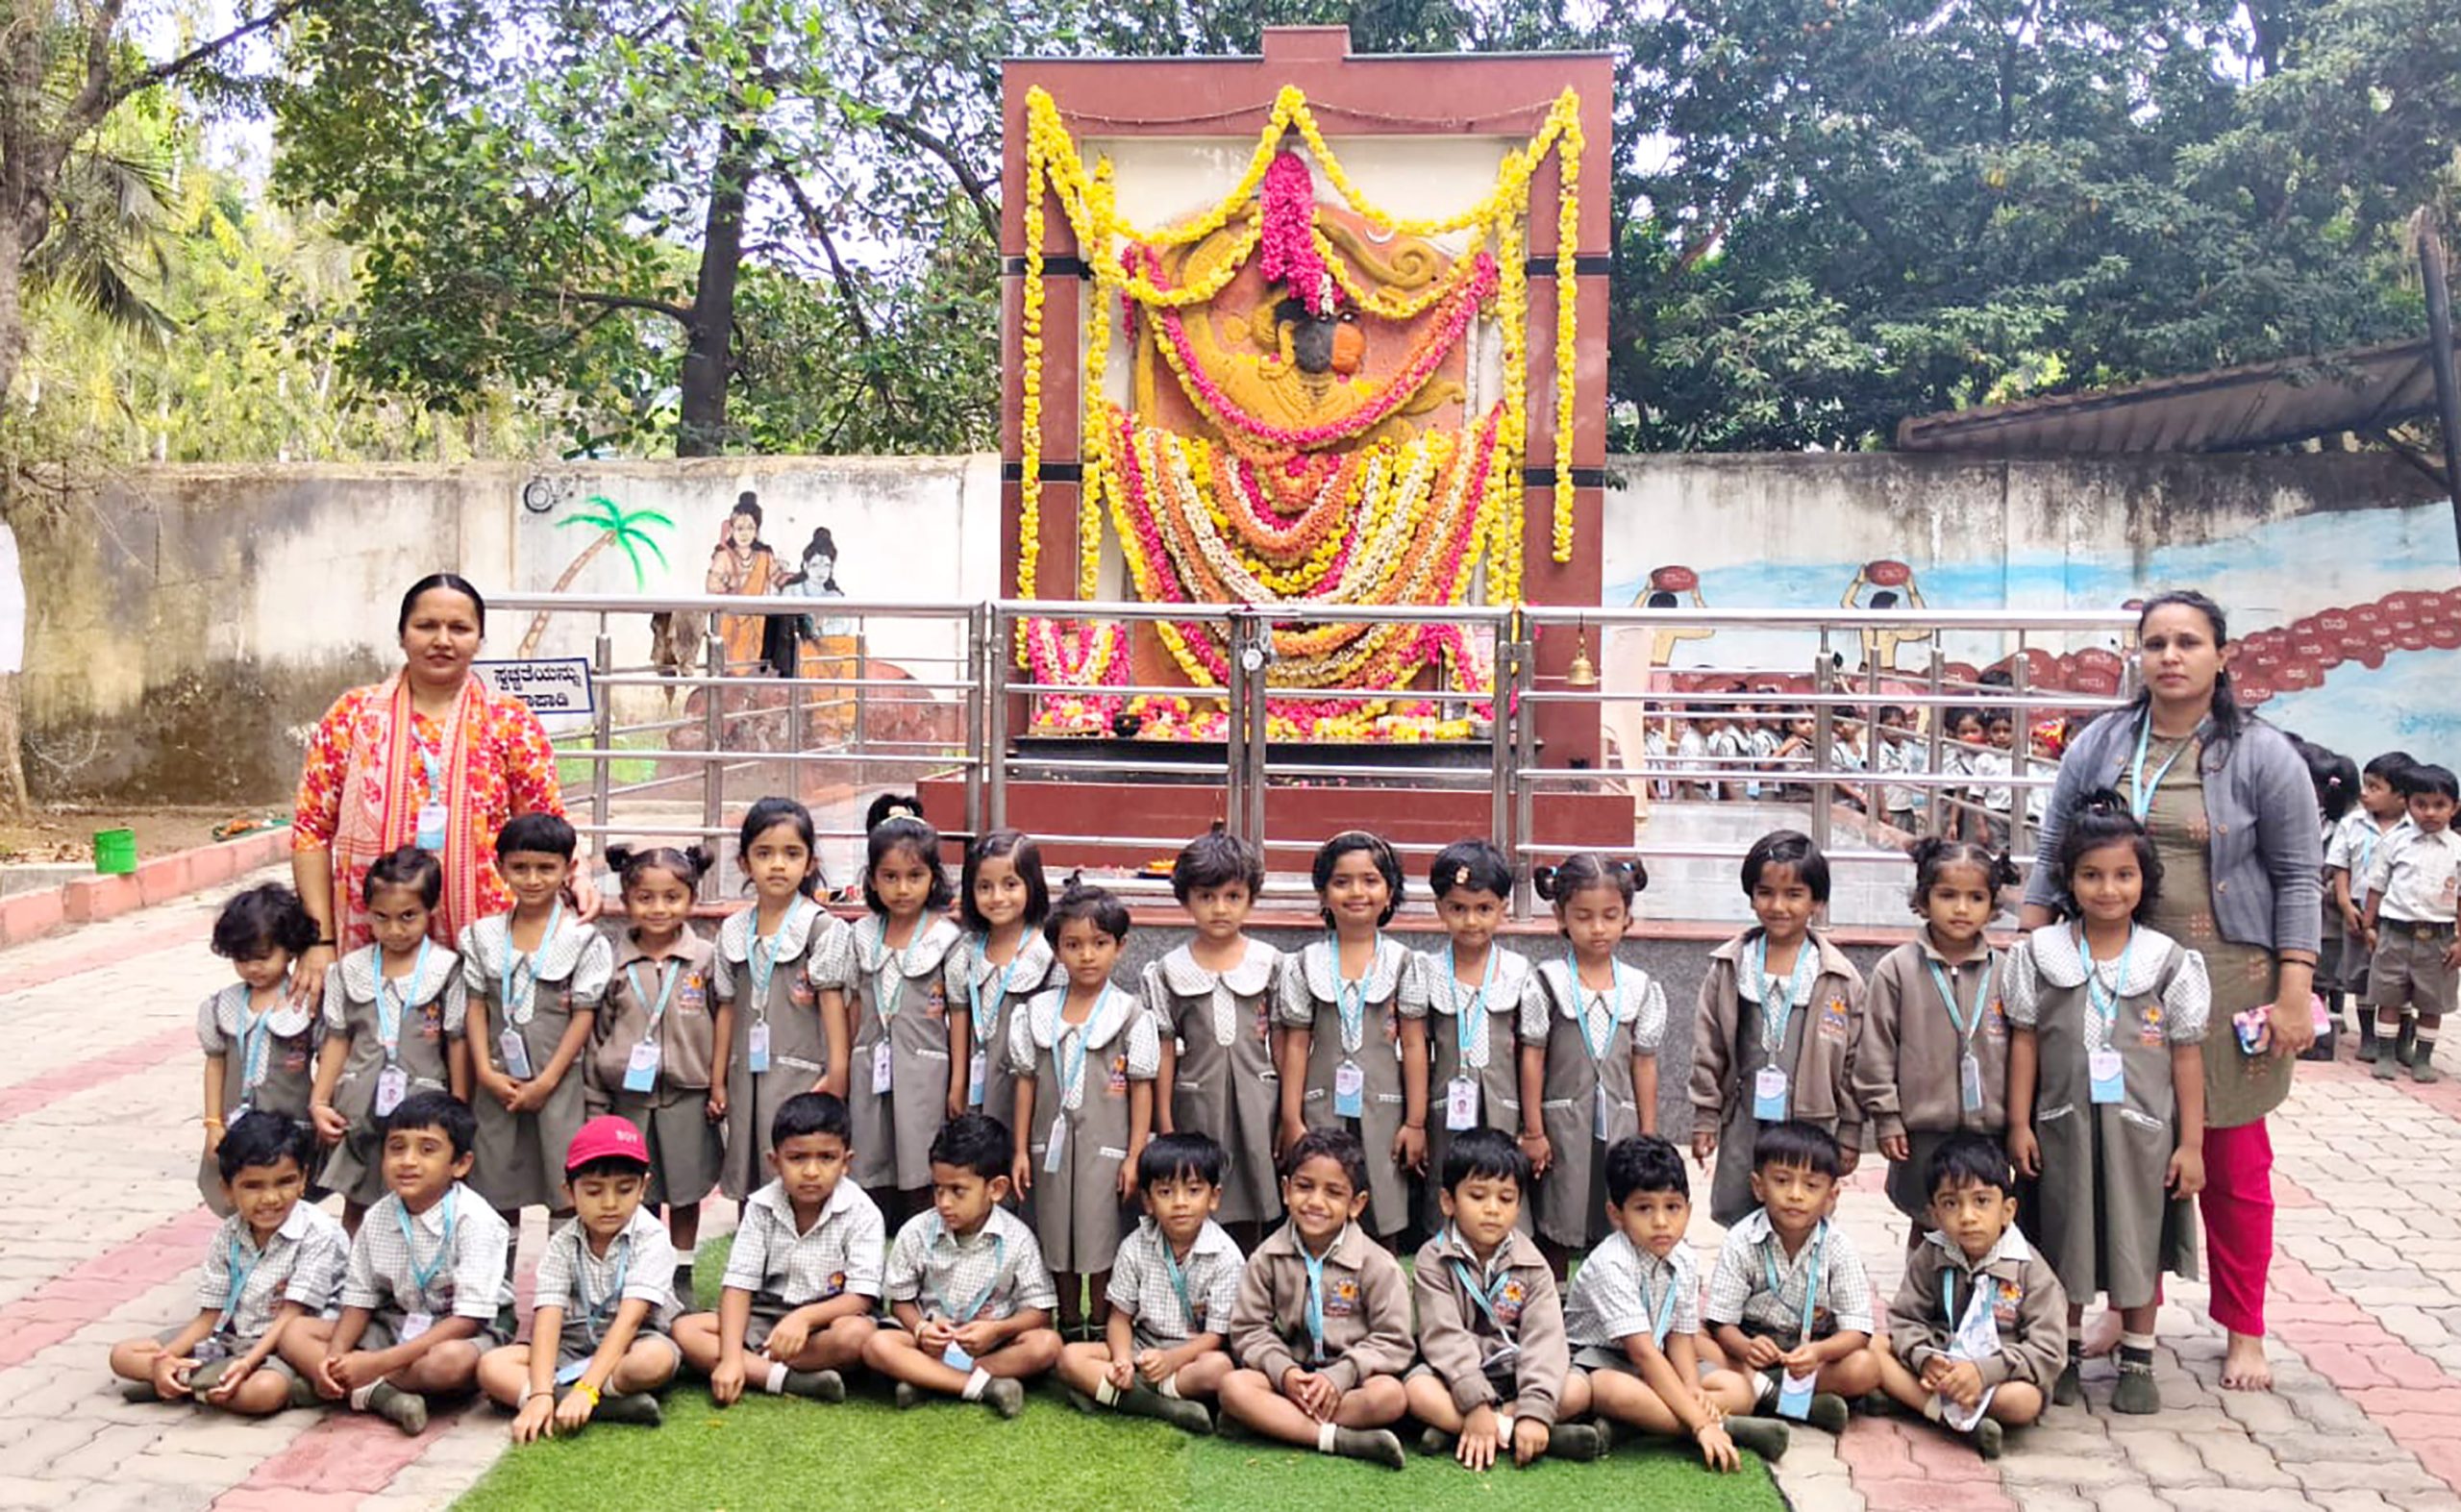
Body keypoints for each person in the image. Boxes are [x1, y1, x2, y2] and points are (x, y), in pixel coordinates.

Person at [2024, 589, 2319, 1393]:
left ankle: (2244, 1325)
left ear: (2223, 655)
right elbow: (2053, 848)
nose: (2170, 656)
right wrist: (2030, 944)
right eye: (2154, 642)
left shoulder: (2264, 754)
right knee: (2118, 1143)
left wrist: (2297, 990)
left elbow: (2298, 876)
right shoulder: (2103, 742)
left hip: (2227, 979)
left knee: (2226, 1157)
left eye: (2189, 641)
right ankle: (2129, 1302)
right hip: (2107, 977)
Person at [2007, 790, 2208, 1413]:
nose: (2107, 888)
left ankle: (2139, 1359)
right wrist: (2019, 1121)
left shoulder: (2166, 961)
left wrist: (2192, 1142)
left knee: (2136, 1237)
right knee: (2061, 1236)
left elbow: (2185, 1055)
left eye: (2123, 874)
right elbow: (2025, 1041)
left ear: (2145, 878)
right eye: (2091, 874)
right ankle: (2060, 1351)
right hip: (2061, 1128)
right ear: (2068, 877)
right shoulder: (2041, 954)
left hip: (2141, 1134)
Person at [292, 573, 597, 979]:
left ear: (479, 639)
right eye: (426, 626)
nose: (442, 640)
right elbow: (312, 830)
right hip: (376, 933)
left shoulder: (509, 721)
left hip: (486, 933)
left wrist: (579, 876)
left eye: (459, 628)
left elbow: (545, 824)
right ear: (402, 635)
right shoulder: (353, 716)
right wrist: (320, 941)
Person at [1563, 1135, 1787, 1470]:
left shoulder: (1683, 1257)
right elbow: (1641, 1352)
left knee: (1737, 1389)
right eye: (1643, 1208)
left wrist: (1692, 1387)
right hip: (1603, 1359)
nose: (1661, 1222)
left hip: (1656, 1359)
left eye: (1672, 1207)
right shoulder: (1610, 1263)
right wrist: (1701, 1423)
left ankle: (1635, 1422)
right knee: (1612, 1390)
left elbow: (1680, 1337)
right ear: (1616, 1214)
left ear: (1688, 1209)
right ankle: (1727, 1428)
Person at [111, 1113, 345, 1414]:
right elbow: (210, 1315)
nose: (271, 1198)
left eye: (285, 1182)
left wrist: (246, 1365)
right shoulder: (228, 1234)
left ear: (303, 1181)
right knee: (123, 1355)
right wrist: (164, 1360)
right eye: (253, 1186)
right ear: (227, 1190)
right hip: (228, 1335)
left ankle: (195, 1385)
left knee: (263, 1393)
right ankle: (185, 1378)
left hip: (283, 1346)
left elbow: (291, 1317)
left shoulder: (318, 1232)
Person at [312, 1091, 513, 1435]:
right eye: (396, 1147)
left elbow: (468, 1319)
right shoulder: (377, 1216)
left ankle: (365, 1384)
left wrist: (376, 1363)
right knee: (297, 1332)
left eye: (427, 1149)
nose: (408, 1161)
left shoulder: (477, 1220)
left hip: (464, 1330)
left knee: (449, 1364)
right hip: (399, 1320)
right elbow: (359, 1299)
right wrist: (335, 1357)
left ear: (460, 1164)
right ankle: (370, 1391)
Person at [1690, 831, 1865, 1225]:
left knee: (1801, 1213)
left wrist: (1850, 1130)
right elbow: (1709, 1044)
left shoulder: (1838, 977)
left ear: (1817, 901)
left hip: (1810, 1120)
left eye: (1794, 894)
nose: (1778, 905)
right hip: (1746, 1117)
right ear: (1751, 895)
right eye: (1766, 892)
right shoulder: (1731, 966)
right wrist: (1705, 1115)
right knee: (1741, 1212)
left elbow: (1855, 1062)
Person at [1404, 1129, 1604, 1468]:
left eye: (1506, 1199)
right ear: (1448, 1202)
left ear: (1519, 1204)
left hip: (1517, 1373)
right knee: (1417, 1390)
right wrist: (1475, 1403)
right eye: (1478, 1196)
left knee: (1579, 1389)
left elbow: (1544, 1340)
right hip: (1456, 1378)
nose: (1492, 1210)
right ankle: (1510, 1431)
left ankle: (1483, 1429)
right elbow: (1443, 1337)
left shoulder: (1533, 1262)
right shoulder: (1432, 1259)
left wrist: (1536, 1406)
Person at [1009, 882, 1157, 1335]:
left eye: (1099, 943)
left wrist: (1135, 1155)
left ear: (1120, 947)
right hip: (1047, 1149)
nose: (1087, 956)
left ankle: (1103, 1321)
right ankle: (1069, 1322)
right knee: (1056, 1231)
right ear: (1056, 950)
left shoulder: (1130, 1014)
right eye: (1073, 945)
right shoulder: (1037, 1012)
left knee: (1103, 1232)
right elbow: (1026, 1084)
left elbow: (1142, 1089)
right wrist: (1019, 1150)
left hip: (1106, 1149)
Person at [461, 812, 610, 1257]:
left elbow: (583, 1016)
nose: (532, 879)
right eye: (520, 868)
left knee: (564, 1181)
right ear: (501, 867)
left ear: (568, 870)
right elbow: (474, 1005)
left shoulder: (582, 940)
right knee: (496, 1181)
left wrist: (547, 1081)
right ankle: (496, 1290)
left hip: (559, 1084)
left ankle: (561, 1291)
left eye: (546, 868)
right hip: (497, 1084)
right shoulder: (482, 936)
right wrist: (484, 1073)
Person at [1218, 1129, 1412, 1469]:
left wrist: (1342, 1375)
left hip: (1353, 1381)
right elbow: (1249, 1330)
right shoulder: (1266, 1257)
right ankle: (1336, 1438)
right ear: (1285, 1190)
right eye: (1304, 1187)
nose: (1316, 1202)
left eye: (1333, 1192)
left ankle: (1275, 1423)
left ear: (1357, 1204)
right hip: (1292, 1377)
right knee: (1234, 1386)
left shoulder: (1379, 1265)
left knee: (1390, 1396)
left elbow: (1394, 1341)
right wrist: (1286, 1372)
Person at [676, 1092, 882, 1405]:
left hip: (827, 1318)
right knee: (685, 1329)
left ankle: (757, 1367)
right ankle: (788, 1380)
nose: (811, 1171)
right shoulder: (761, 1207)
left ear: (846, 1163)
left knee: (857, 1336)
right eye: (797, 1158)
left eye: (826, 1158)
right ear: (775, 1162)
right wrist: (731, 1357)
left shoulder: (862, 1211)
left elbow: (861, 1296)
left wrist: (805, 1319)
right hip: (766, 1315)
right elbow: (738, 1285)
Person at [1856, 838, 2021, 1232]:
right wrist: (1887, 1116)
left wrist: (2020, 1122)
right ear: (1923, 899)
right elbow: (1876, 1049)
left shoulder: (2009, 971)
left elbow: (2027, 1050)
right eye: (1947, 895)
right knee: (1928, 1220)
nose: (1961, 909)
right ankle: (1924, 1294)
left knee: (1981, 1226)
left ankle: (1976, 1295)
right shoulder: (1896, 970)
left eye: (1975, 897)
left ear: (1994, 906)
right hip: (1921, 1131)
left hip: (1990, 1130)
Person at [478, 1116, 679, 1437]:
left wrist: (587, 1388)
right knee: (491, 1367)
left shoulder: (652, 1237)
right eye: (594, 1191)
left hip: (633, 1342)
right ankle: (605, 1406)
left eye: (624, 1189)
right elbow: (548, 1318)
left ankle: (582, 1398)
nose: (610, 1203)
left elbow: (629, 1321)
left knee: (653, 1362)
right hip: (571, 1344)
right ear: (569, 1192)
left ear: (644, 1188)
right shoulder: (562, 1243)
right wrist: (541, 1391)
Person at [1876, 1133, 2066, 1460]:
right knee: (1873, 1345)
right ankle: (1950, 1417)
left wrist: (1984, 1372)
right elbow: (1905, 1319)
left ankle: (1921, 1405)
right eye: (1951, 1203)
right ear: (1934, 1214)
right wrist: (1924, 1358)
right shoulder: (1931, 1253)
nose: (1967, 1216)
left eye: (1982, 1201)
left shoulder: (2030, 1269)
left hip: (1997, 1376)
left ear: (2007, 1210)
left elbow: (2048, 1350)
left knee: (2023, 1401)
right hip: (1941, 1364)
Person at [1277, 831, 1427, 1243]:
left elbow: (1414, 1044)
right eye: (1342, 882)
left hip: (1386, 1110)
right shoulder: (1304, 964)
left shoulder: (1405, 963)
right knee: (1322, 1200)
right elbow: (1295, 1044)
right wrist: (1292, 1119)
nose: (1356, 892)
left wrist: (1415, 1121)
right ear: (1323, 893)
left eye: (1370, 880)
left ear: (1390, 891)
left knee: (1382, 1201)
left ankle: (1381, 1299)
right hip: (1320, 1106)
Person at [862, 1112, 1065, 1415]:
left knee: (1047, 1344)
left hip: (989, 1347)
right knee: (877, 1345)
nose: (943, 1202)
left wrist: (997, 1331)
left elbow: (1040, 1312)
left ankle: (927, 1380)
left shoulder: (1018, 1238)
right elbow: (900, 1302)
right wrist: (920, 1329)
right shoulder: (916, 1231)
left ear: (995, 1189)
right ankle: (983, 1386)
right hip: (929, 1343)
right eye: (937, 1188)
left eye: (958, 1191)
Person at [311, 847, 467, 1232]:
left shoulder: (446, 969)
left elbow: (457, 1039)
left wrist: (461, 1103)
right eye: (382, 918)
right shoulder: (351, 970)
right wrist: (319, 1100)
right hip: (360, 1105)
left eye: (408, 917)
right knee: (359, 1199)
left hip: (424, 1105)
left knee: (423, 1197)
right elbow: (336, 1037)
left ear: (430, 911)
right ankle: (357, 1283)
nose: (395, 929)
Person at [586, 844, 723, 1284]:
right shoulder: (612, 962)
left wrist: (720, 1086)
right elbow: (598, 1032)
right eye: (645, 898)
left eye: (671, 897)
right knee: (633, 1191)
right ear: (625, 902)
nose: (659, 908)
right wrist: (596, 1098)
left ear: (692, 900)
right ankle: (640, 1278)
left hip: (689, 1095)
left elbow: (724, 1022)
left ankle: (681, 1274)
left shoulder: (705, 958)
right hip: (628, 1098)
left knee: (685, 1191)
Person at [1522, 854, 1666, 1259]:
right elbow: (1532, 1057)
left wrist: (1648, 1133)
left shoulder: (1640, 987)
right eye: (1584, 916)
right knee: (1558, 1206)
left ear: (1628, 919)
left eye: (1610, 915)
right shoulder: (1547, 982)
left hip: (1620, 1118)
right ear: (1560, 916)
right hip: (1561, 1119)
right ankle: (1550, 1306)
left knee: (1615, 1208)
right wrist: (1533, 1131)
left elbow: (1645, 1061)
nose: (1598, 928)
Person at [1146, 825, 1282, 1249]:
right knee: (1199, 1186)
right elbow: (1164, 1046)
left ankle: (1251, 1286)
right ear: (1185, 900)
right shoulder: (1168, 969)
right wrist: (1165, 1120)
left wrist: (1288, 1112)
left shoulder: (1271, 963)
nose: (1219, 909)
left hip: (1259, 1100)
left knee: (1256, 1185)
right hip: (1196, 1098)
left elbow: (1281, 1039)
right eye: (1206, 897)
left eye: (1232, 897)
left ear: (1251, 899)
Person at [1701, 1121, 1882, 1433]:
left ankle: (1761, 1392)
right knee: (1693, 1338)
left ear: (1832, 1195)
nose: (1795, 1195)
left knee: (1865, 1367)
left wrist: (1819, 1353)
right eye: (1782, 1181)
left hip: (1809, 1355)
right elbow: (1720, 1322)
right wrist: (1745, 1347)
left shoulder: (1838, 1248)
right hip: (1750, 1349)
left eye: (1811, 1186)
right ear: (1758, 1186)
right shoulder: (1742, 1239)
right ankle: (1790, 1401)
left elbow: (1857, 1330)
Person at [714, 798, 854, 1202]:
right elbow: (726, 1006)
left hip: (803, 1075)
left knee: (800, 1173)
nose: (778, 865)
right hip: (745, 1078)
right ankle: (751, 1257)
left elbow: (833, 1005)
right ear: (744, 863)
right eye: (764, 853)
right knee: (749, 1169)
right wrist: (718, 1079)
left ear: (809, 863)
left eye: (791, 854)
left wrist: (838, 1072)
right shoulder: (733, 930)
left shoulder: (821, 929)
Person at [1056, 1131, 1242, 1432]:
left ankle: (1112, 1395)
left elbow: (1216, 1337)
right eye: (1166, 1192)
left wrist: (1170, 1361)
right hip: (1142, 1346)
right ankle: (1161, 1405)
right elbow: (1119, 1319)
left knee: (1218, 1369)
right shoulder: (1135, 1245)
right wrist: (1121, 1361)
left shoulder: (1226, 1256)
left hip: (1191, 1354)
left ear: (1214, 1197)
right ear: (1148, 1201)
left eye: (1193, 1191)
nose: (1180, 1203)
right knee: (1069, 1357)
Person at [1411, 840, 1534, 1235]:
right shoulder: (1425, 971)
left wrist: (1533, 1129)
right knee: (1448, 1185)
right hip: (1444, 1107)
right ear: (1439, 909)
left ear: (1503, 907)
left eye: (1484, 909)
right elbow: (1415, 1047)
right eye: (1458, 908)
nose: (1471, 921)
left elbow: (1532, 1052)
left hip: (1505, 1105)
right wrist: (1415, 1123)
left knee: (1502, 1183)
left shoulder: (1518, 971)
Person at [848, 813, 963, 1224]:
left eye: (914, 876)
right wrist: (846, 1064)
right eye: (890, 876)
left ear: (933, 878)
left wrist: (958, 1081)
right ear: (873, 879)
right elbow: (854, 1005)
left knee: (921, 1159)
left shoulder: (946, 937)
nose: (902, 888)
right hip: (868, 1068)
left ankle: (923, 1256)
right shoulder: (862, 934)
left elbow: (959, 1014)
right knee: (870, 1159)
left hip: (925, 1072)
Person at [195, 884, 323, 1215]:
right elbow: (215, 1062)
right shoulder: (223, 1005)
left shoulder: (306, 1002)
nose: (253, 968)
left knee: (287, 1200)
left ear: (291, 949)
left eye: (263, 957)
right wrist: (213, 1123)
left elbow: (328, 1056)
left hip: (291, 1126)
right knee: (240, 1196)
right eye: (242, 958)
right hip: (235, 1128)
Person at [945, 829, 1057, 1130]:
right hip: (977, 1082)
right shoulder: (965, 952)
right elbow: (959, 1017)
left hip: (1028, 1084)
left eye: (1010, 885)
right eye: (984, 886)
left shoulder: (1048, 954)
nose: (997, 898)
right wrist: (958, 1083)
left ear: (1032, 886)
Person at [2361, 762, 2461, 1083]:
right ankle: (2387, 1054)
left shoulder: (2458, 850)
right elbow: (2376, 886)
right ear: (2408, 804)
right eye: (2421, 804)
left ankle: (2423, 1059)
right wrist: (2369, 925)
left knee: (2431, 1002)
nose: (2430, 812)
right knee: (2389, 995)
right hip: (2395, 932)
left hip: (2439, 937)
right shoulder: (2395, 843)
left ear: (2454, 808)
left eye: (2439, 805)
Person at [2330, 751, 2415, 1061]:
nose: (2364, 793)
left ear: (2402, 797)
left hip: (2398, 915)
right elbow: (2341, 865)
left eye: (2375, 787)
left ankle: (2402, 1039)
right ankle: (2368, 1037)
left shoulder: (2413, 829)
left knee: (2399, 977)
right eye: (2364, 785)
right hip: (2356, 909)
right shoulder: (2352, 823)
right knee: (2361, 973)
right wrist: (2342, 901)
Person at [2296, 738, 2361, 1060]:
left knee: (2321, 977)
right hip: (2308, 908)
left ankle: (2319, 1040)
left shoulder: (2344, 825)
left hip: (2328, 911)